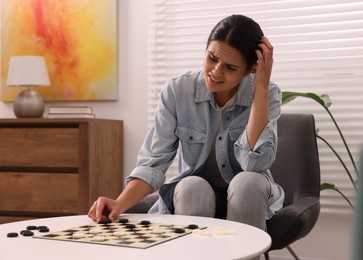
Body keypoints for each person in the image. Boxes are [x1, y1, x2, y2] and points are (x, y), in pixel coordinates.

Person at [88, 14, 284, 231]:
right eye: (212, 58)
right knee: (191, 185)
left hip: (249, 195)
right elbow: (153, 164)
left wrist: (261, 88)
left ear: (251, 69)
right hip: (195, 197)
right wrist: (119, 203)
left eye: (230, 67)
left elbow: (254, 164)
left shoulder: (267, 94)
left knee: (247, 182)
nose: (216, 72)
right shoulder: (177, 91)